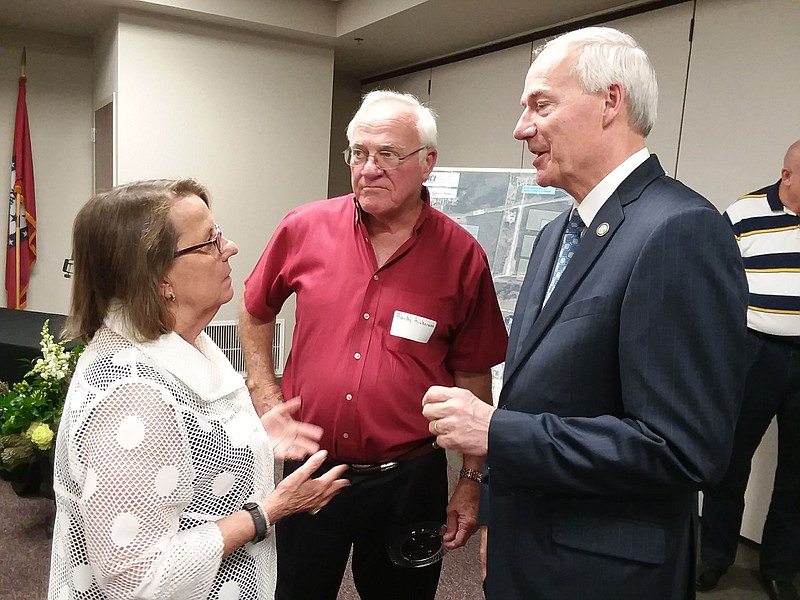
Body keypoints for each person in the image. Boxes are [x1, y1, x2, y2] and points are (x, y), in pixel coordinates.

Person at [421, 26, 749, 600]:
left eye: (540, 105)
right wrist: (500, 515)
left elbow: (682, 448)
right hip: (528, 546)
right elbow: (533, 392)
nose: (522, 128)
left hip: (603, 574)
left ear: (611, 102)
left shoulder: (679, 231)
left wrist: (495, 430)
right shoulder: (555, 234)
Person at [239, 90, 508, 599]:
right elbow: (255, 310)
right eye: (359, 154)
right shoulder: (304, 228)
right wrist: (266, 396)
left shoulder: (462, 257)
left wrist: (472, 481)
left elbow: (474, 378)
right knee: (295, 591)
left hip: (408, 479)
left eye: (388, 154)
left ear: (427, 162)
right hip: (311, 468)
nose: (369, 168)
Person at [48, 179, 349, 600]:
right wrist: (267, 513)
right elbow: (136, 578)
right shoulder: (133, 395)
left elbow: (182, 453)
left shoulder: (184, 342)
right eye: (209, 242)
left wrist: (253, 439)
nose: (231, 247)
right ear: (157, 278)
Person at [696, 140, 800, 600]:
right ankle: (714, 557)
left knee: (797, 471)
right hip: (753, 351)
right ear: (787, 175)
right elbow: (712, 284)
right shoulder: (743, 215)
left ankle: (779, 568)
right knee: (729, 459)